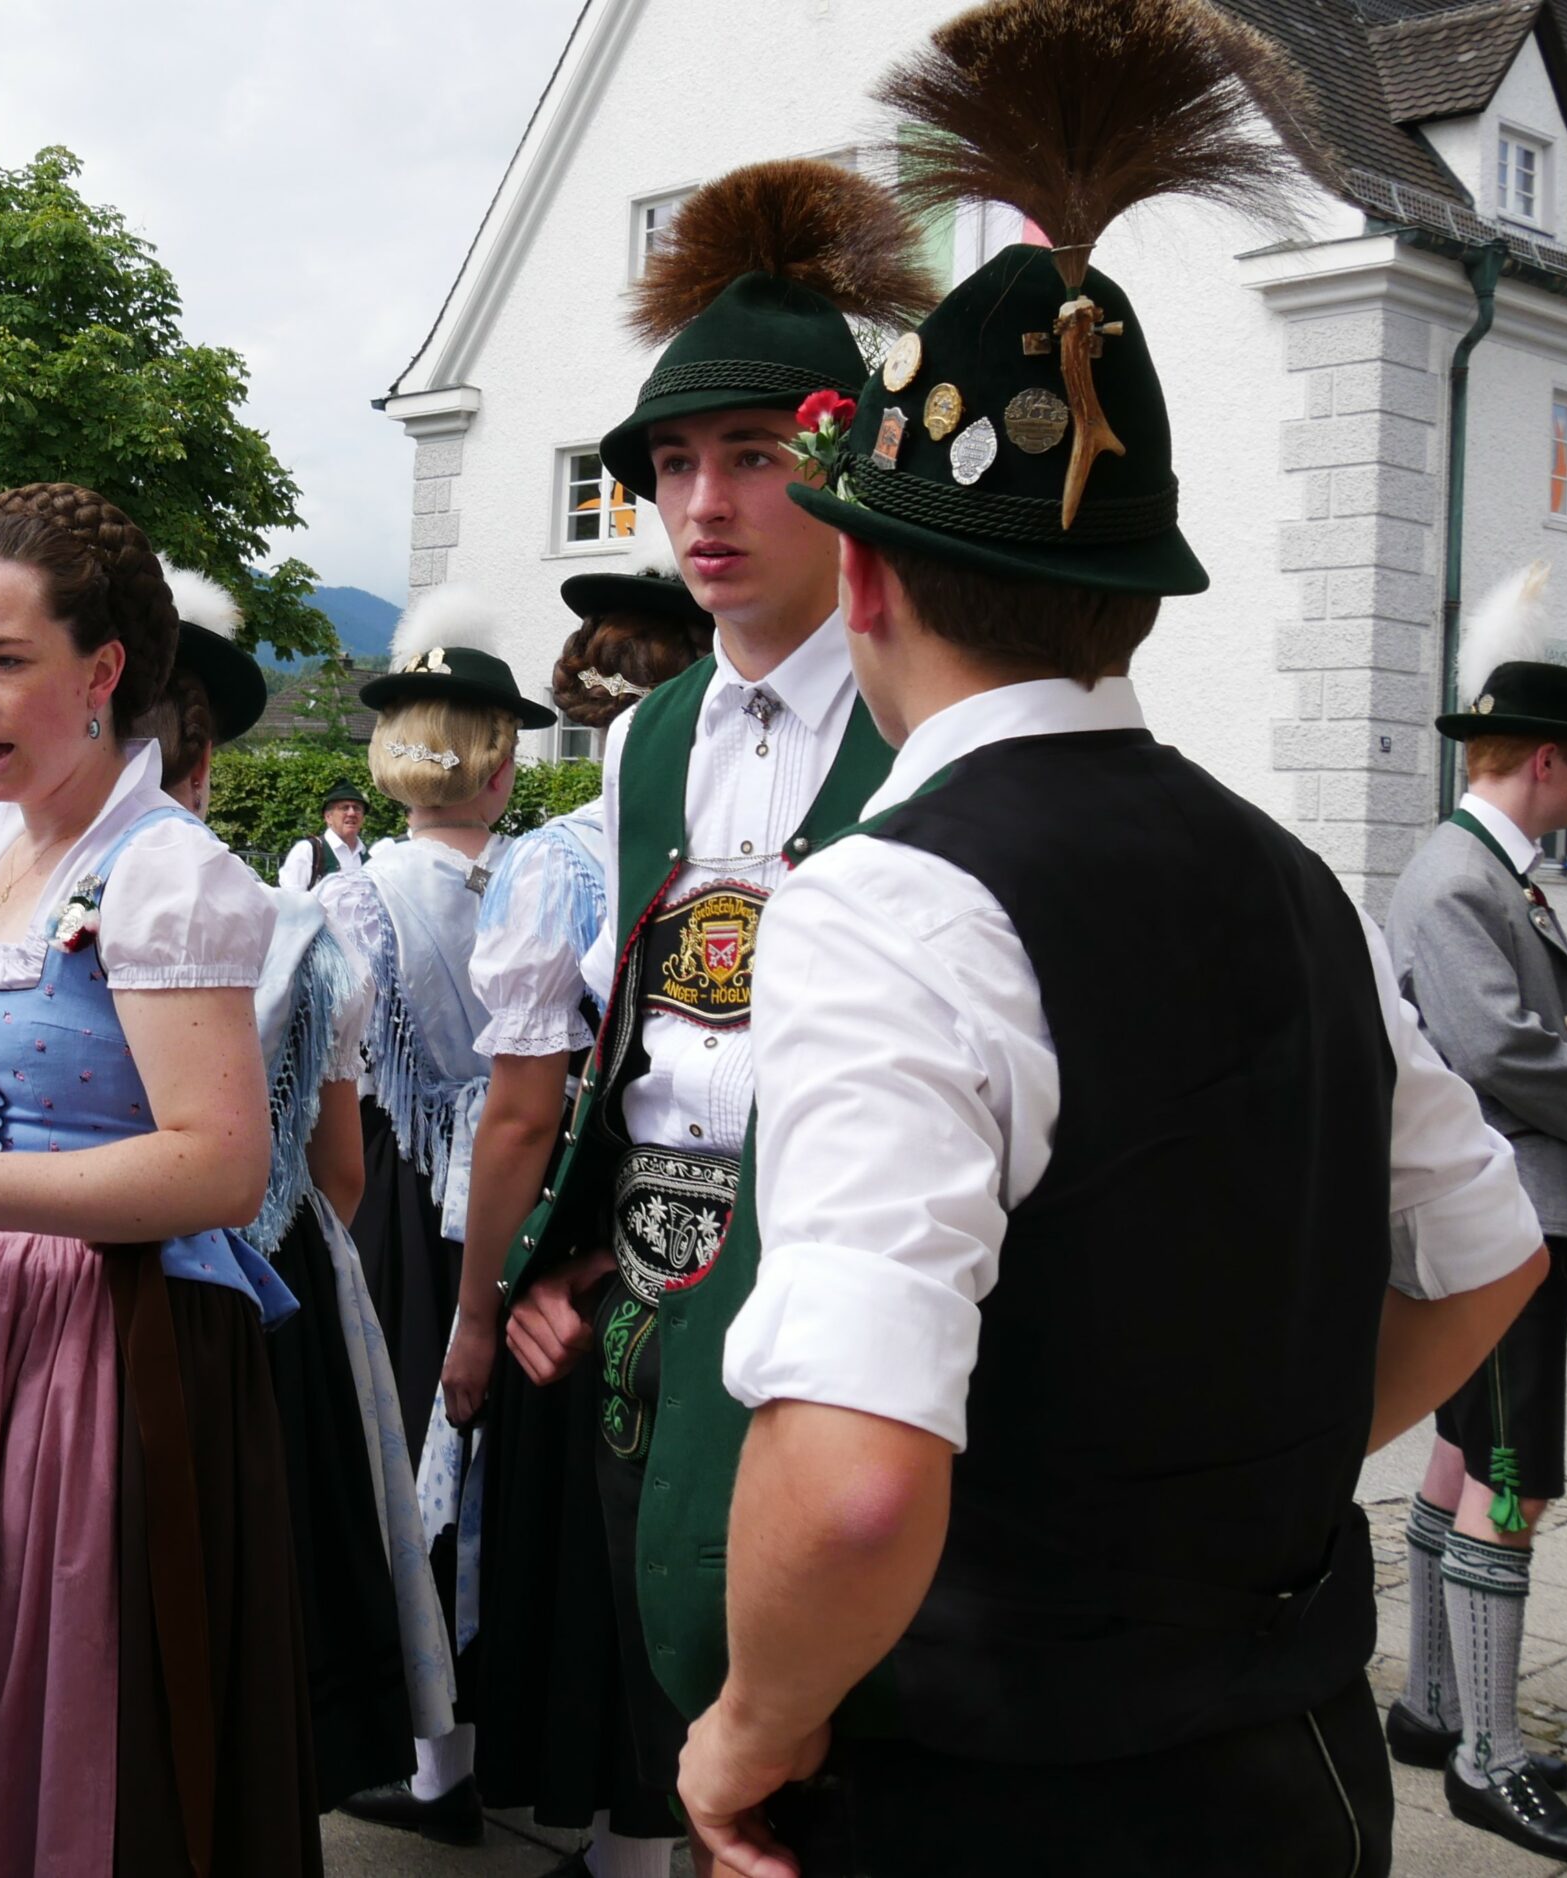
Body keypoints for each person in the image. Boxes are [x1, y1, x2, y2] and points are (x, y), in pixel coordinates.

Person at [668, 7, 1552, 1874]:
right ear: (1133, 603)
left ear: (868, 575)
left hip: (1008, 1793)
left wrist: (749, 1723)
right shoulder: (1298, 878)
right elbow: (1490, 1258)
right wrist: (1235, 1494)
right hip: (1295, 1773)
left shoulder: (890, 903)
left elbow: (855, 1486)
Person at [488, 154, 922, 1840]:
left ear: (843, 463)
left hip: (847, 1281)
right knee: (678, 1730)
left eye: (753, 454)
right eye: (676, 463)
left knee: (836, 1752)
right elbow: (642, 1039)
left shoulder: (922, 708)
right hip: (650, 1308)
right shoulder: (646, 738)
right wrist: (560, 1253)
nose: (704, 502)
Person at [0, 482, 319, 1878]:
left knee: (79, 1709)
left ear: (102, 672)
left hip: (118, 1340)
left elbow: (220, 1165)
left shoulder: (163, 875)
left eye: (3, 662)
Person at [151, 558, 454, 1812]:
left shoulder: (5, 897)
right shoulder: (292, 928)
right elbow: (336, 1166)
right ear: (205, 761)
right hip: (261, 1278)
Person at [434, 557, 710, 1878]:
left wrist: (478, 1310)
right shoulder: (757, 848)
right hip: (714, 1231)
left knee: (601, 1539)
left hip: (583, 1239)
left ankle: (619, 1846)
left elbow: (521, 1118)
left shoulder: (556, 863)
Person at [1383, 566, 1567, 1861]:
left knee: (1464, 1454)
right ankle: (1489, 1757)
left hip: (1499, 1216)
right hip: (1510, 1219)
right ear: (1547, 759)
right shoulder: (1461, 877)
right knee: (1510, 1479)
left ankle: (1433, 1706)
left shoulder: (1484, 869)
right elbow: (1503, 1047)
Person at [322, 587, 553, 1843]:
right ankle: (497, 1733)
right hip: (523, 1190)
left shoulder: (355, 897)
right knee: (500, 1458)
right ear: (498, 761)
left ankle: (433, 1763)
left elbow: (327, 1072)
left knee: (405, 1449)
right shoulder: (546, 880)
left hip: (400, 1196)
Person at [278, 783, 366, 893]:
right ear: (328, 817)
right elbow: (291, 899)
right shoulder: (308, 851)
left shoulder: (368, 858)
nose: (352, 813)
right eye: (345, 808)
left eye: (357, 808)